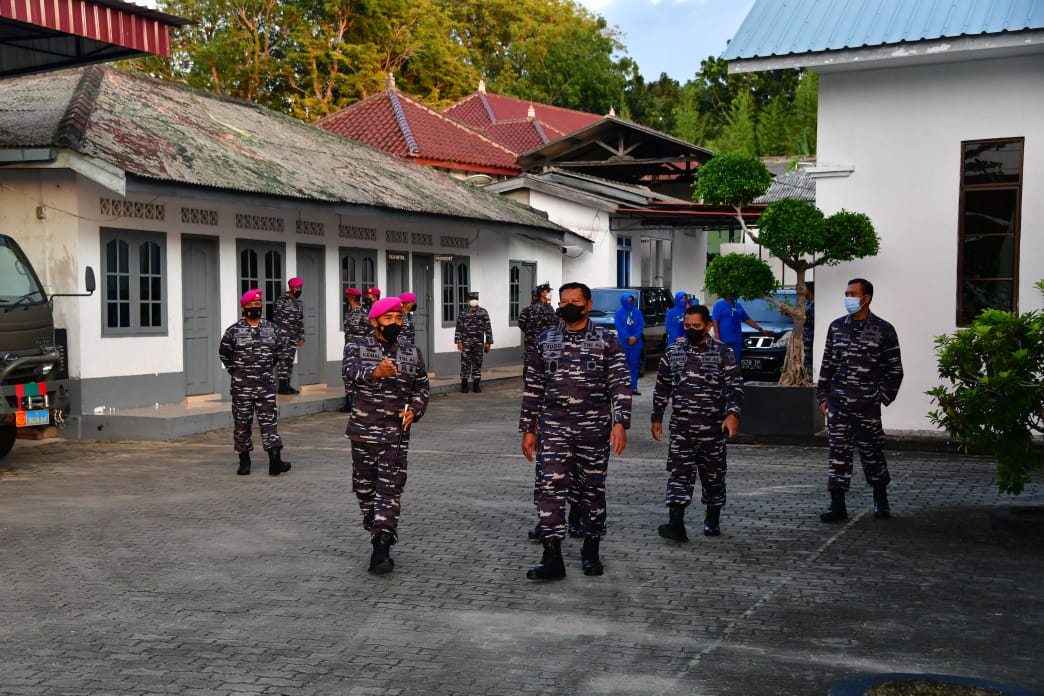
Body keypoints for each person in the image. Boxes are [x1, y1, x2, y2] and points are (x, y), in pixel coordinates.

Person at [520, 282, 631, 580]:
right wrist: (527, 428)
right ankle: (552, 555)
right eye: (563, 300)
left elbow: (619, 383)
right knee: (549, 488)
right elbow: (533, 387)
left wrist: (621, 422)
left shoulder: (606, 341)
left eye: (575, 300)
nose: (568, 305)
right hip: (553, 427)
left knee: (592, 490)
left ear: (588, 304)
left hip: (593, 428)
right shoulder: (545, 340)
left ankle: (591, 548)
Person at [342, 296, 430, 574]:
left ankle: (382, 544)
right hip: (363, 432)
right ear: (375, 321)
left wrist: (415, 409)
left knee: (389, 490)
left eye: (398, 318)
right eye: (389, 319)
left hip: (395, 434)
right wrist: (375, 372)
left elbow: (422, 387)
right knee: (365, 490)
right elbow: (348, 374)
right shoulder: (357, 347)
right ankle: (376, 528)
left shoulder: (411, 352)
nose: (395, 323)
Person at [651, 304, 743, 539]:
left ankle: (712, 519)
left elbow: (735, 388)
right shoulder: (674, 352)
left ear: (708, 326)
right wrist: (657, 417)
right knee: (679, 474)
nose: (691, 329)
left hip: (712, 428)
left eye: (696, 326)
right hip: (681, 428)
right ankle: (676, 524)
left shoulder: (723, 353)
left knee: (713, 476)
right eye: (687, 326)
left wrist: (732, 414)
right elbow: (662, 386)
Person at [817, 278, 904, 523]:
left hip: (867, 406)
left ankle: (880, 499)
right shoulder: (836, 327)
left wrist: (880, 397)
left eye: (853, 293)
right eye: (846, 293)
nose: (848, 297)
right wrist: (822, 395)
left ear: (866, 298)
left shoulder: (884, 329)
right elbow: (827, 364)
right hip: (838, 405)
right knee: (838, 455)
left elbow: (894, 369)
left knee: (873, 453)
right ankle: (837, 504)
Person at [219, 288, 291, 477]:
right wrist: (236, 372)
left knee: (269, 423)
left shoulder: (271, 328)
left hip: (265, 386)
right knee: (242, 424)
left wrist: (265, 369)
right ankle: (244, 461)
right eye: (251, 306)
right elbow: (224, 354)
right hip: (242, 388)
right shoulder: (233, 331)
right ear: (244, 309)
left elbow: (278, 352)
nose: (255, 308)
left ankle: (275, 460)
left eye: (257, 305)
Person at [711, 295, 772, 366]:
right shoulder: (719, 305)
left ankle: (736, 376)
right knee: (725, 363)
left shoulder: (738, 306)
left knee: (736, 363)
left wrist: (761, 330)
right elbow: (715, 322)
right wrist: (718, 340)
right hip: (724, 341)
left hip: (736, 341)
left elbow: (747, 319)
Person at [454, 290, 493, 393]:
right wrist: (459, 341)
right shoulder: (463, 312)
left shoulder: (483, 312)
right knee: (465, 363)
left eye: (475, 299)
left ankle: (476, 385)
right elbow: (459, 328)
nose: (473, 301)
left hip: (479, 343)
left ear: (478, 300)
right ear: (468, 300)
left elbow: (488, 328)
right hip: (466, 342)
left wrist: (488, 342)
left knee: (477, 362)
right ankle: (464, 385)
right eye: (471, 299)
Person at [272, 277, 305, 395]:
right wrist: (277, 336)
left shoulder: (299, 303)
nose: (299, 290)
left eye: (300, 288)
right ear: (291, 288)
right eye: (297, 288)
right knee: (283, 361)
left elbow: (300, 321)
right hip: (283, 336)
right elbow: (276, 319)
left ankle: (287, 385)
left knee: (289, 361)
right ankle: (282, 386)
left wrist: (301, 337)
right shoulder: (282, 301)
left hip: (293, 337)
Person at [340, 287, 369, 413]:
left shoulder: (364, 313)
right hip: (349, 347)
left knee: (359, 373)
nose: (346, 298)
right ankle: (349, 400)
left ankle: (359, 400)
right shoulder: (348, 313)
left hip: (360, 348)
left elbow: (371, 331)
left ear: (351, 298)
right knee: (346, 374)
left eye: (347, 296)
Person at [517, 283, 557, 369]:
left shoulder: (550, 308)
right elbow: (522, 324)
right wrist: (533, 333)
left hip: (543, 344)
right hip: (536, 344)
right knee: (534, 368)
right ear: (542, 293)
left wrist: (531, 334)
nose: (550, 293)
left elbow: (555, 324)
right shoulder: (533, 309)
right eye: (548, 291)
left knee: (535, 368)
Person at [781, 282, 815, 374]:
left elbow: (806, 319)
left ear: (807, 289)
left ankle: (809, 376)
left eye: (799, 289)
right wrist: (788, 313)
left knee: (808, 358)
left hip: (810, 336)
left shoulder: (815, 303)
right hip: (803, 336)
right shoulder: (806, 302)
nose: (797, 292)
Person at [614, 293, 644, 394]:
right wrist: (627, 337)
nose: (629, 302)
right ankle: (622, 387)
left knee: (634, 366)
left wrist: (635, 337)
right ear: (623, 301)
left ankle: (633, 387)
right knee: (622, 366)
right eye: (627, 300)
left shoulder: (637, 312)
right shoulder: (619, 313)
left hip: (636, 343)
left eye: (631, 300)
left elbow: (640, 325)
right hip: (623, 343)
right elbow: (619, 327)